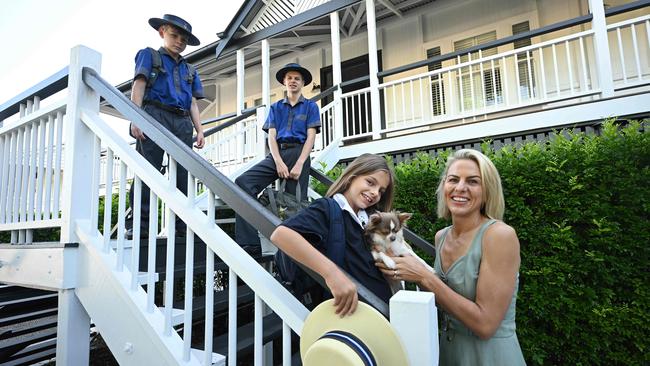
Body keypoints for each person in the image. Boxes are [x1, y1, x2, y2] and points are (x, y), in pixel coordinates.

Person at [376, 149, 526, 365]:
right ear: (444, 186)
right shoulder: (442, 236)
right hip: (448, 353)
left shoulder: (499, 235)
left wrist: (424, 276)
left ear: (487, 190)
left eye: (473, 181)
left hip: (490, 356)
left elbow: (486, 325)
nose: (460, 188)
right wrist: (402, 262)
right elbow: (446, 298)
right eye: (453, 179)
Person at [270, 154, 395, 316]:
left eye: (381, 191)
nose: (374, 193)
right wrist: (332, 274)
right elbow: (281, 235)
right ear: (352, 177)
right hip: (351, 317)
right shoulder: (328, 208)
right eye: (370, 182)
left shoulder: (369, 221)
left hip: (380, 313)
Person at [125, 14, 206, 239]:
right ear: (162, 32)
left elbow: (192, 102)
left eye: (184, 39)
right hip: (154, 114)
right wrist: (136, 118)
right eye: (174, 35)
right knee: (148, 169)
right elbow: (138, 85)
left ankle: (182, 225)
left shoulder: (190, 69)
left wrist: (199, 129)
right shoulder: (149, 55)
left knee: (183, 174)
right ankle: (140, 225)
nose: (179, 41)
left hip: (181, 122)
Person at [235, 63, 320, 253]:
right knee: (243, 183)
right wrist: (278, 161)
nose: (293, 81)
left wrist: (299, 163)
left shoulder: (310, 107)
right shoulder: (275, 108)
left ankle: (291, 256)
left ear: (303, 83)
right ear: (284, 81)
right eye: (289, 78)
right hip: (278, 154)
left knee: (293, 204)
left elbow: (311, 137)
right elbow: (271, 137)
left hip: (299, 153)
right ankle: (249, 242)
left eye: (297, 78)